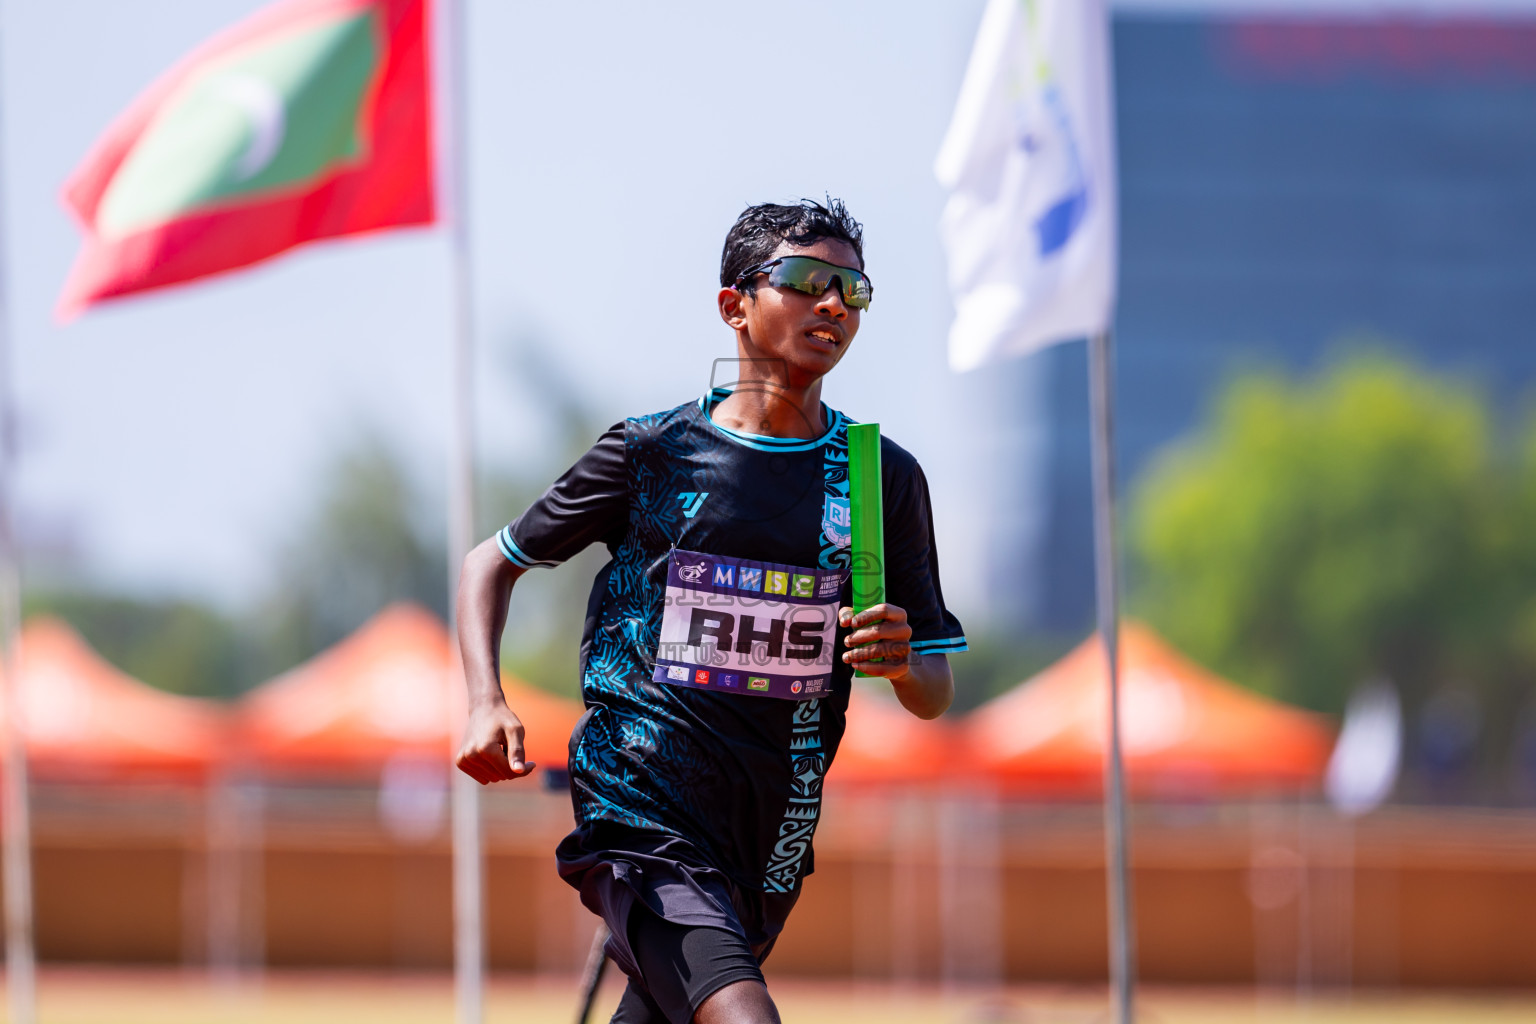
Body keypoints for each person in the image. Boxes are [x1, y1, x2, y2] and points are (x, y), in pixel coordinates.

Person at [454, 198, 966, 1024]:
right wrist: (486, 700)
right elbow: (492, 562)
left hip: (770, 833)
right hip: (639, 811)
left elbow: (934, 693)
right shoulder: (652, 452)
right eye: (805, 282)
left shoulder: (879, 479)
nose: (832, 305)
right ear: (735, 305)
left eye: (852, 289)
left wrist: (904, 661)